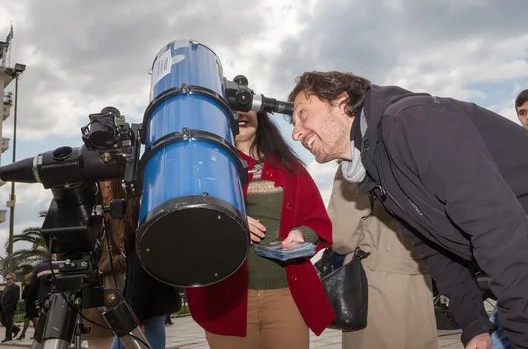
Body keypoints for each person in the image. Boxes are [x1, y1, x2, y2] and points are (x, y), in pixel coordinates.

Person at [288, 71, 528, 349]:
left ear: (341, 101)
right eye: (293, 123)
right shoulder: (377, 167)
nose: (296, 132)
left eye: (303, 115)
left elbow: (495, 225)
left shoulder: (410, 120)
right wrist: (474, 324)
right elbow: (436, 249)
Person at [185, 110, 335, 349]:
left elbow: (317, 221)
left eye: (245, 105)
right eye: (230, 109)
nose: (239, 114)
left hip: (286, 297)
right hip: (226, 302)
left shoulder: (291, 167)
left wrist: (301, 235)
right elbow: (183, 226)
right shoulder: (200, 173)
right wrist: (226, 220)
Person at [328, 164, 438, 349]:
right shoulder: (416, 151)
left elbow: (342, 237)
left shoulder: (355, 161)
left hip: (375, 280)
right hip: (420, 275)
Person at [111, 181, 182, 349]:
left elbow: (138, 267)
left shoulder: (136, 211)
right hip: (154, 292)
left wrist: (133, 304)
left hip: (144, 295)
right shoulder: (154, 207)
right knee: (149, 331)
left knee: (130, 335)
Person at [83, 180, 128, 349]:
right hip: (91, 284)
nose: (106, 187)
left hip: (112, 285)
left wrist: (104, 265)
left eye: (109, 183)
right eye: (103, 183)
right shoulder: (91, 213)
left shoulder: (119, 215)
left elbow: (126, 257)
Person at [16, 272, 38, 340]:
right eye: (25, 280)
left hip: (33, 305)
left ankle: (22, 334)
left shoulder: (34, 287)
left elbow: (35, 296)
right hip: (28, 305)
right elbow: (23, 296)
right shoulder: (26, 287)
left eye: (27, 280)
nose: (26, 282)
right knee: (34, 320)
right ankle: (37, 334)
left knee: (27, 318)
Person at [0, 273, 20, 342]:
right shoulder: (6, 286)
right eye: (6, 279)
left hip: (9, 308)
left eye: (8, 279)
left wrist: (10, 306)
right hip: (3, 307)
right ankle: (16, 329)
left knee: (8, 322)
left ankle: (8, 337)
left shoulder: (15, 287)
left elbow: (15, 298)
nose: (7, 280)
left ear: (12, 279)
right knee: (2, 321)